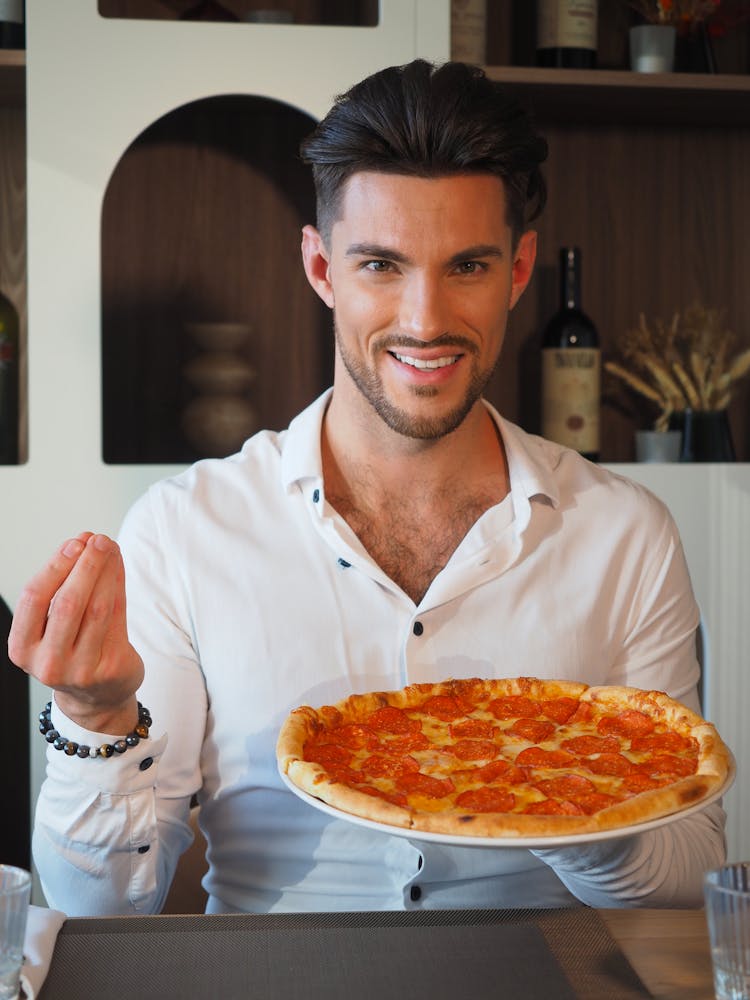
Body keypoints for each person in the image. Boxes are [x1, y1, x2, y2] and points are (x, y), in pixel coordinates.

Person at [10, 59, 724, 916]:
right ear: (320, 268)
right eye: (381, 265)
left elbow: (689, 875)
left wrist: (556, 779)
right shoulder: (184, 527)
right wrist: (95, 716)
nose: (425, 320)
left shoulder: (626, 534)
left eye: (467, 267)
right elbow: (104, 909)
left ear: (521, 269)